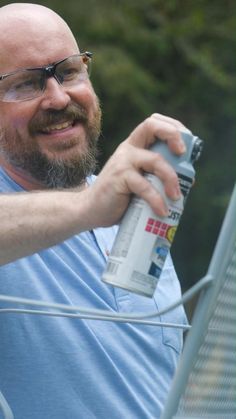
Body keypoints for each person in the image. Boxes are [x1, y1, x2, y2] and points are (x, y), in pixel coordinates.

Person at [0, 3, 188, 418]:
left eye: (68, 72)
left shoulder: (133, 205)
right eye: (27, 84)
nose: (58, 97)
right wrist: (89, 205)